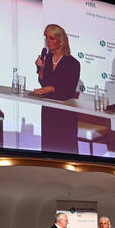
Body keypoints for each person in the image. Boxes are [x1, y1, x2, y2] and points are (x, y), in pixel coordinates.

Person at [34, 24, 80, 154]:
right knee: (48, 147)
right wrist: (41, 69)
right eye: (46, 37)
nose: (48, 41)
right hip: (48, 109)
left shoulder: (72, 63)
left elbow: (68, 90)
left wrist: (50, 88)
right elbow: (43, 82)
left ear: (61, 41)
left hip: (64, 113)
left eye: (52, 38)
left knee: (65, 149)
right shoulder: (48, 58)